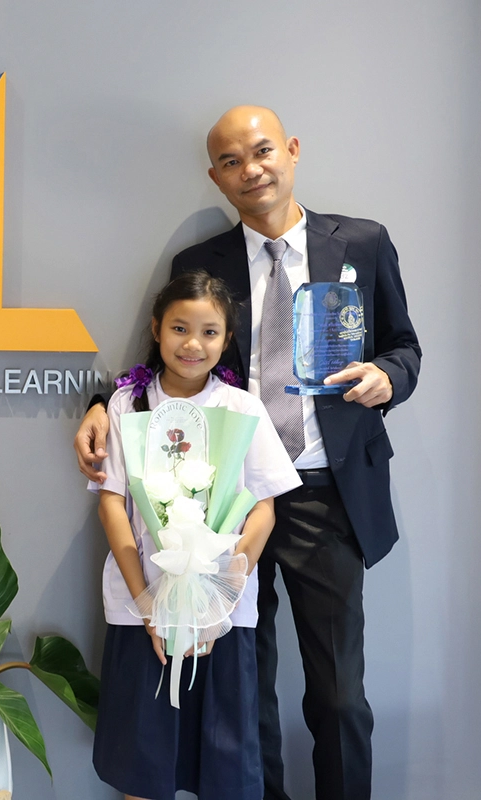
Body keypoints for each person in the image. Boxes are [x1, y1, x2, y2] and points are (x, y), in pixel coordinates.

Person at [79, 106, 421, 800]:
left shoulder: (361, 242)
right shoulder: (199, 263)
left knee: (339, 695)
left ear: (291, 150)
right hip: (223, 506)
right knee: (244, 688)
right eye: (231, 161)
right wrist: (97, 401)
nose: (251, 170)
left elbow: (404, 346)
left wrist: (389, 377)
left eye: (262, 151)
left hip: (326, 493)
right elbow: (169, 358)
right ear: (216, 177)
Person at [92, 271, 301, 800]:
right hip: (140, 609)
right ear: (157, 329)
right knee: (143, 765)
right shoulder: (127, 405)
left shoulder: (241, 409)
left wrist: (220, 594)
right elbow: (113, 504)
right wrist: (147, 604)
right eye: (180, 328)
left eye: (209, 332)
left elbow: (263, 509)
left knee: (224, 767)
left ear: (227, 340)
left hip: (221, 621)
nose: (192, 344)